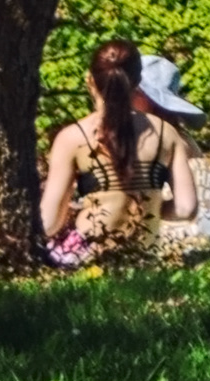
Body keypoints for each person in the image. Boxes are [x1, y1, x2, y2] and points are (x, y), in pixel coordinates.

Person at [39, 38, 196, 264]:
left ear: (90, 81)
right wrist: (144, 205)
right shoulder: (167, 134)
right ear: (137, 82)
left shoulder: (72, 138)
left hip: (85, 260)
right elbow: (185, 208)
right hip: (143, 259)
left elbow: (48, 223)